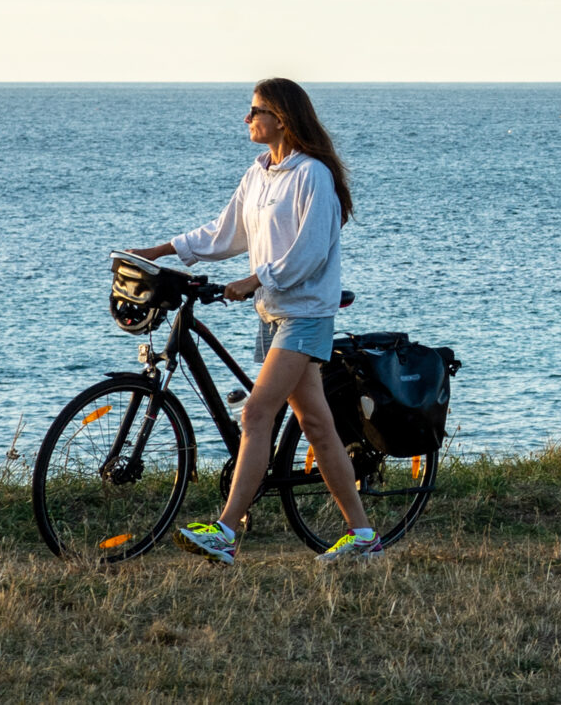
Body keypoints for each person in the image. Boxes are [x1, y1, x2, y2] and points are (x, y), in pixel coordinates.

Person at [126, 77, 383, 564]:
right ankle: (364, 536)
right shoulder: (260, 172)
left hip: (306, 313)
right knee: (318, 427)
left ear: (281, 118)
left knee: (255, 412)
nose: (247, 119)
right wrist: (161, 251)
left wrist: (254, 279)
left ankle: (224, 532)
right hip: (272, 314)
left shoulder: (313, 176)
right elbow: (224, 233)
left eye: (255, 110)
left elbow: (308, 254)